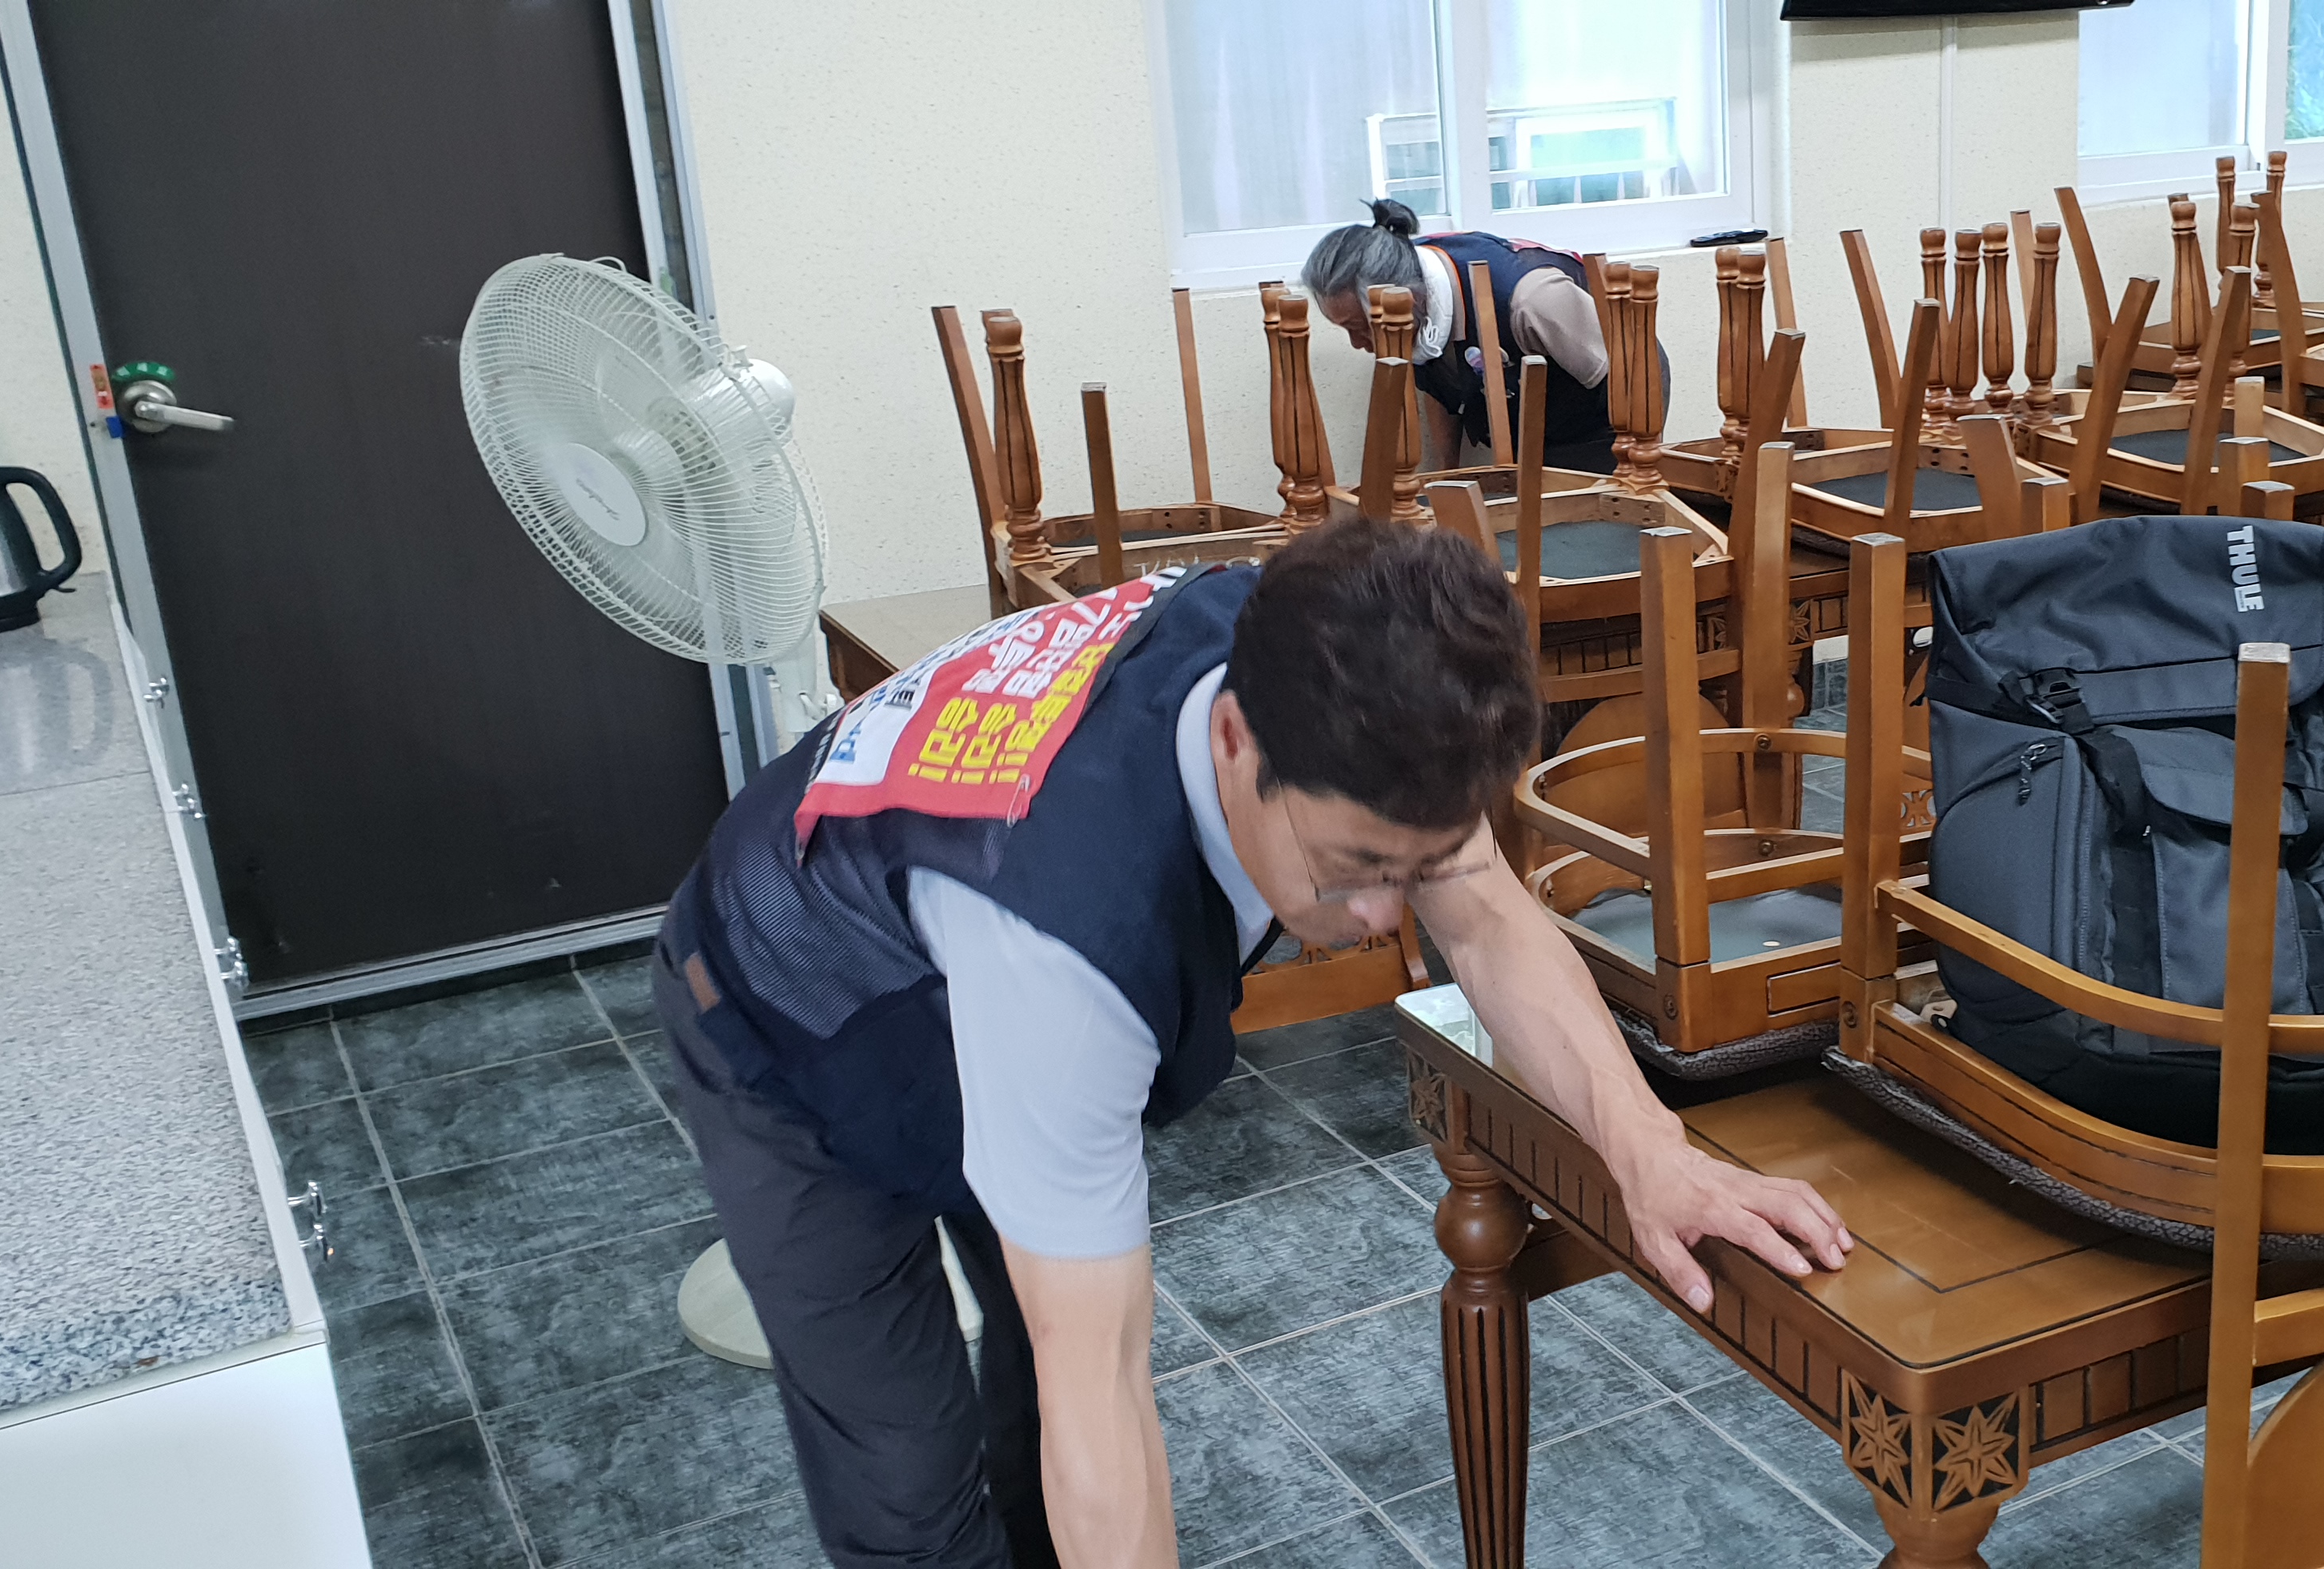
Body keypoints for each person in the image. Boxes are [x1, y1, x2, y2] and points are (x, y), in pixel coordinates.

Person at [651, 519, 1848, 1567]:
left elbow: (1486, 916)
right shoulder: (1069, 946)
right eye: (1355, 866)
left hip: (965, 960)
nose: (1383, 918)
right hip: (783, 1014)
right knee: (911, 1486)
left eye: (1417, 865)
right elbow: (1104, 1379)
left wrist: (1650, 1152)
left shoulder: (1322, 657)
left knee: (1033, 1409)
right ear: (1234, 740)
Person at [1299, 199, 1665, 475]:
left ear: (1409, 299)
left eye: (1360, 328)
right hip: (1527, 435)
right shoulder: (1413, 297)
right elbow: (1438, 382)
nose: (1358, 344)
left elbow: (1638, 376)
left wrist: (1635, 469)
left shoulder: (1532, 300)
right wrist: (1445, 474)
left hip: (1599, 421)